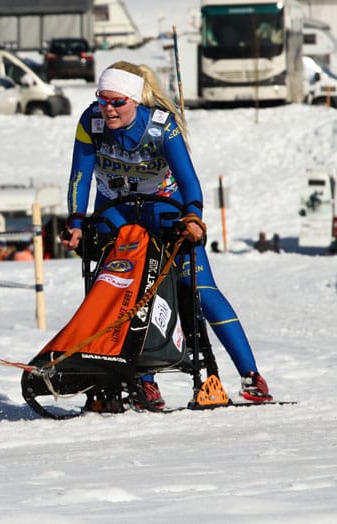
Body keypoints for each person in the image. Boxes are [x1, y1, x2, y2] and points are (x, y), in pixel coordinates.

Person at [61, 61, 272, 405]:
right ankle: (142, 381)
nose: (109, 109)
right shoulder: (91, 122)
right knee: (121, 290)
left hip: (163, 206)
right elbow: (79, 177)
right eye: (103, 99)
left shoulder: (161, 126)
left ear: (134, 100)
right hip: (116, 208)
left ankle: (251, 375)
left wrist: (193, 215)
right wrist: (74, 222)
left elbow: (189, 181)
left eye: (118, 102)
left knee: (200, 290)